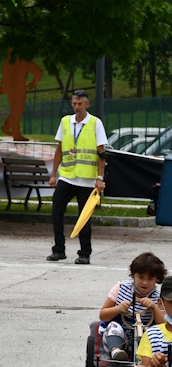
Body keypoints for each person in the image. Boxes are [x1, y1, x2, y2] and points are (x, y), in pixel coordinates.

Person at [46, 90, 108, 265]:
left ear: (87, 104)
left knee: (84, 216)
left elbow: (101, 153)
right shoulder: (66, 121)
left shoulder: (95, 123)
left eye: (80, 104)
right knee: (56, 211)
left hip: (87, 179)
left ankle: (84, 253)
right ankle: (59, 250)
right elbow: (59, 149)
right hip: (67, 176)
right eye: (74, 103)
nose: (76, 107)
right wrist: (53, 174)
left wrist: (100, 177)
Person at [98, 252, 167, 367]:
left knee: (157, 336)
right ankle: (117, 354)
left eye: (150, 279)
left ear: (157, 279)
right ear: (133, 275)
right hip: (122, 335)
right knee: (113, 327)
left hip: (146, 336)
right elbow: (103, 315)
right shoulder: (121, 287)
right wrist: (118, 308)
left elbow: (164, 325)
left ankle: (146, 363)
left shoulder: (158, 297)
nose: (145, 283)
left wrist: (154, 308)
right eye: (141, 277)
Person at [0, 51, 43, 141]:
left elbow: (4, 80)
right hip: (18, 90)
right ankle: (15, 133)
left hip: (12, 90)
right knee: (18, 110)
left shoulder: (8, 63)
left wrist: (4, 89)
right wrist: (33, 83)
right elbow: (38, 72)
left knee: (16, 110)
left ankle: (7, 127)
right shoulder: (23, 61)